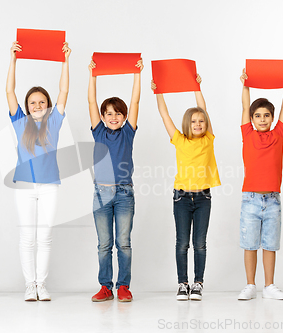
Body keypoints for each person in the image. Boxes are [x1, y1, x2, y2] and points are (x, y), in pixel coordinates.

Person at [6, 41, 71, 301]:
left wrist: (65, 60)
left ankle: (41, 285)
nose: (36, 105)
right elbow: (9, 91)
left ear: (47, 104)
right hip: (23, 186)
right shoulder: (20, 121)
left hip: (49, 186)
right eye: (32, 102)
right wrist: (13, 60)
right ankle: (29, 285)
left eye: (41, 101)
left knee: (44, 237)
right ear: (27, 105)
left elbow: (64, 90)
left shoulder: (54, 121)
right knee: (27, 238)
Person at [152, 75, 220, 301]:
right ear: (186, 125)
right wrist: (158, 91)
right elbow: (164, 114)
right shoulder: (179, 140)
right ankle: (183, 284)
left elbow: (203, 108)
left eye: (201, 121)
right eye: (193, 122)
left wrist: (197, 87)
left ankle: (198, 283)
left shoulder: (208, 139)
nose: (198, 124)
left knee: (199, 243)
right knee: (182, 243)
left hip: (203, 199)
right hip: (181, 199)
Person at [237, 69, 283, 300]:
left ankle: (269, 285)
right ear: (252, 119)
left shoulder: (279, 134)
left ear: (272, 118)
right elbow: (244, 106)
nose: (262, 119)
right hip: (250, 199)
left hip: (272, 200)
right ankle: (250, 284)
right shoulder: (248, 134)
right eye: (258, 116)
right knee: (250, 244)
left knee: (270, 244)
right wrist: (245, 85)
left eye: (266, 116)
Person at [88, 57, 143, 302]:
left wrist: (137, 75)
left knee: (124, 243)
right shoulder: (99, 130)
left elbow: (135, 100)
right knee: (103, 244)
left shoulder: (128, 132)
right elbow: (91, 99)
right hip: (101, 193)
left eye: (118, 113)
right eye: (108, 113)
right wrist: (93, 75)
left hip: (124, 194)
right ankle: (105, 287)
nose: (113, 117)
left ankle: (123, 286)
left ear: (124, 116)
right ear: (102, 115)